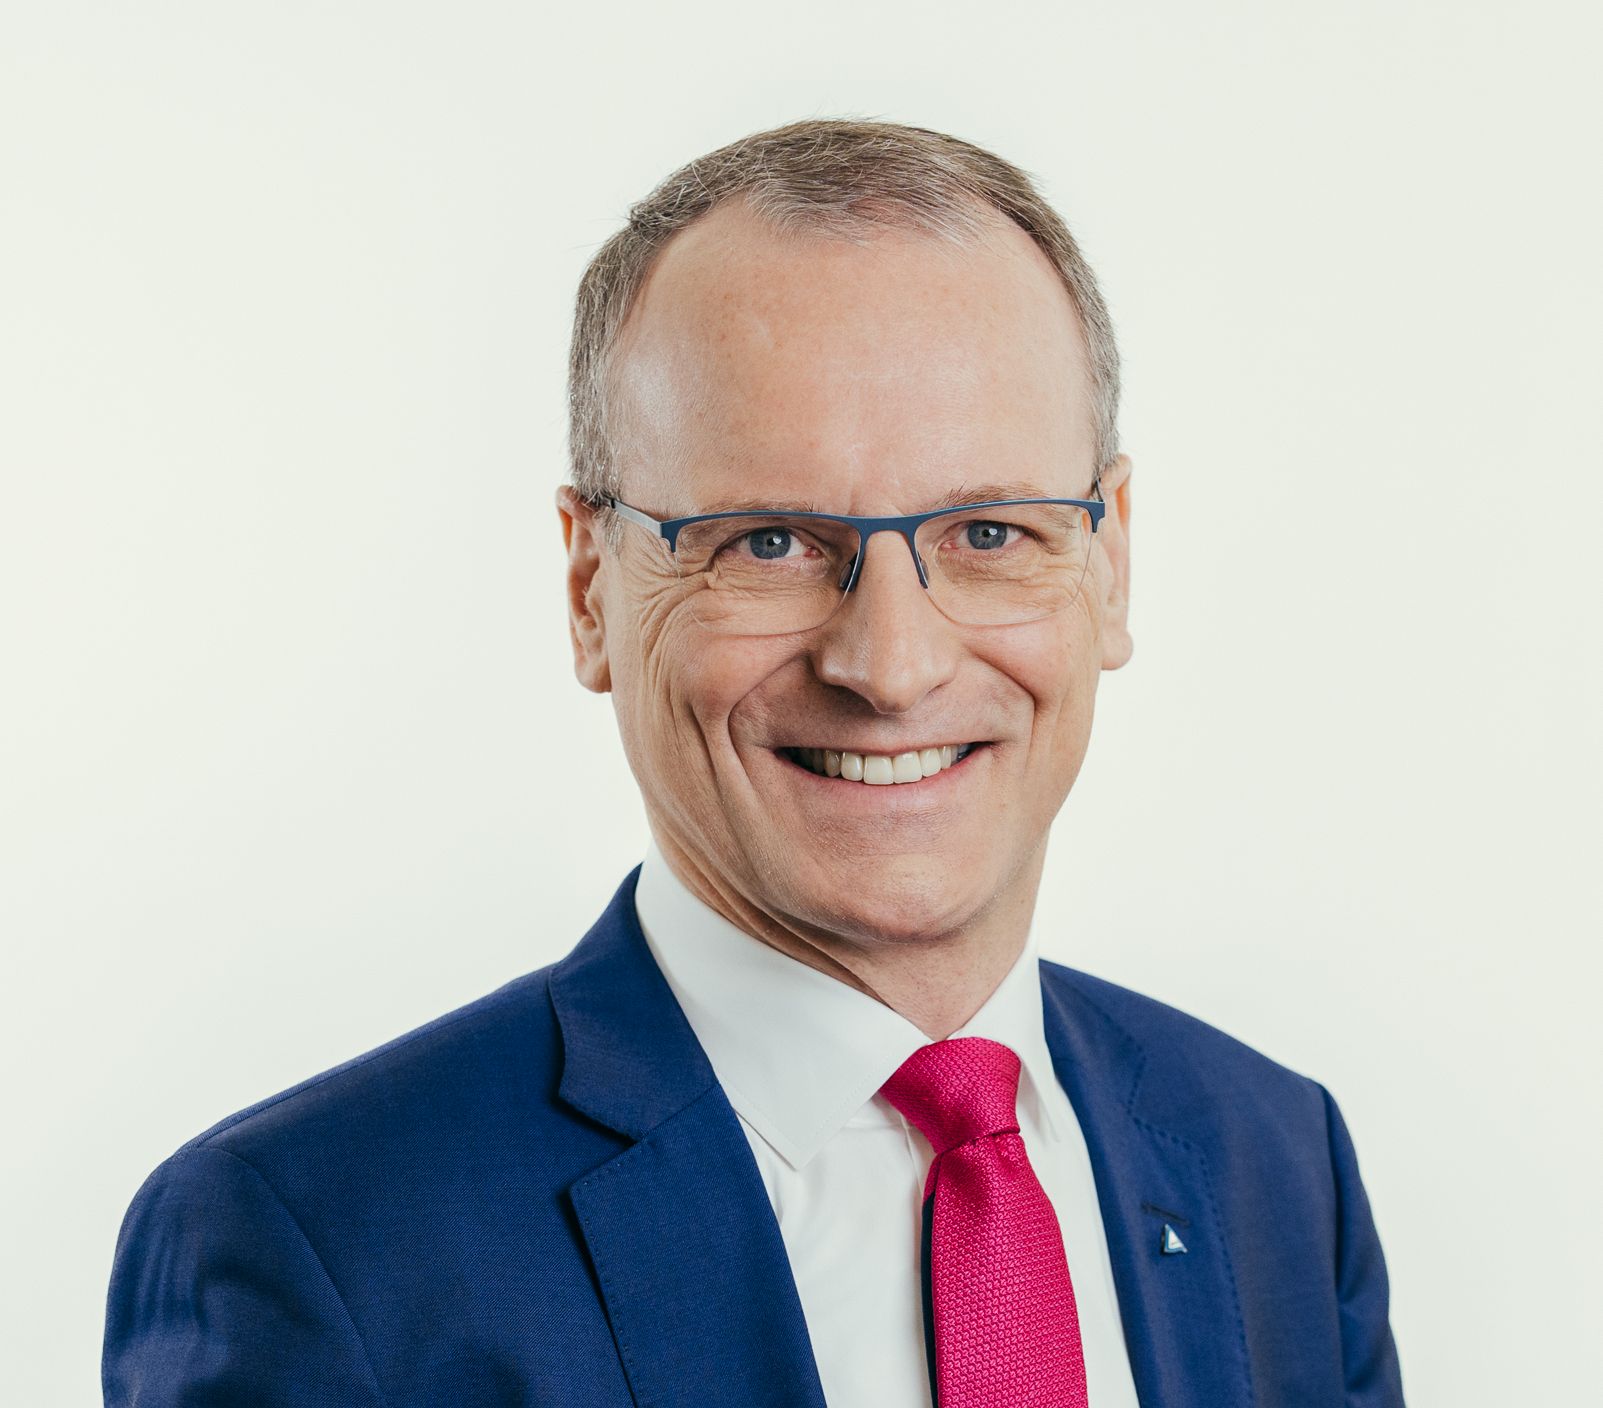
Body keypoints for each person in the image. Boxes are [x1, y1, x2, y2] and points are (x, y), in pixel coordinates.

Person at [102, 118, 1406, 1407]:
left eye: (989, 533)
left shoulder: (1275, 1165)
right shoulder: (322, 1246)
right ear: (590, 588)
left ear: (1109, 560)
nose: (891, 666)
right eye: (768, 542)